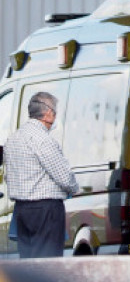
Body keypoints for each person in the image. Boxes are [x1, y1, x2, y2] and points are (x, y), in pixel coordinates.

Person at [5, 92, 79, 258]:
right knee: (48, 264)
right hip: (46, 209)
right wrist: (75, 188)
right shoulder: (43, 140)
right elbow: (65, 178)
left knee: (29, 263)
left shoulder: (13, 139)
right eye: (55, 111)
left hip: (22, 210)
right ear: (48, 113)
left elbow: (8, 176)